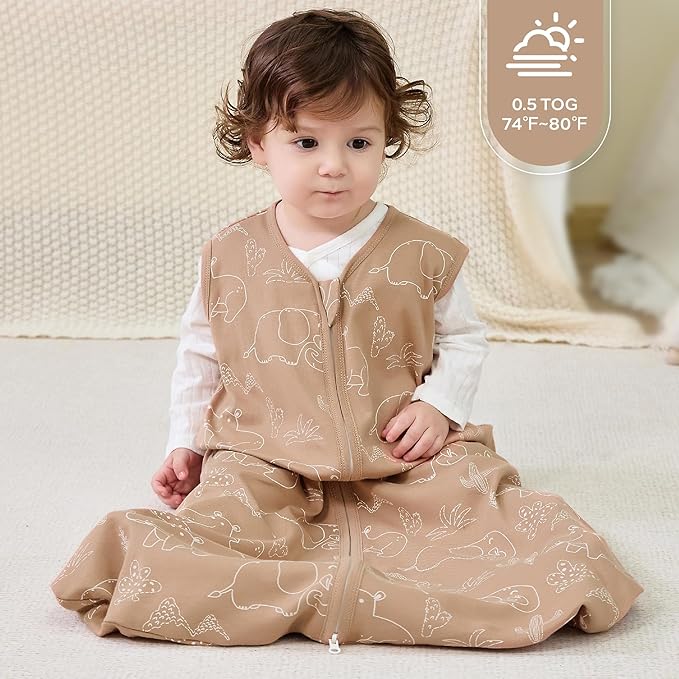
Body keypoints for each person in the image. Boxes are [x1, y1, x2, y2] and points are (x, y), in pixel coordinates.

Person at [51, 8, 643, 652]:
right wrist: (186, 443)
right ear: (258, 143)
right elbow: (201, 353)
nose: (334, 166)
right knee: (201, 535)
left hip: (401, 459)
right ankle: (300, 581)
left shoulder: (423, 252)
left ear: (387, 138)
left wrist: (439, 405)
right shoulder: (229, 255)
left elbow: (463, 338)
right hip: (267, 459)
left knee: (493, 507)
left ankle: (407, 575)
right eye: (306, 143)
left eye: (358, 143)